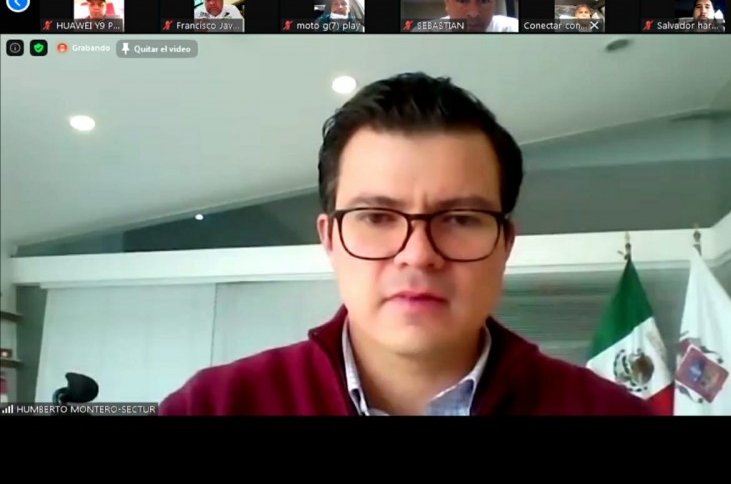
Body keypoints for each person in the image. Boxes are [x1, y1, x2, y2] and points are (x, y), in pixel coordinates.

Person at [158, 72, 655, 416]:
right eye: (377, 217)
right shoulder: (211, 407)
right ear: (330, 239)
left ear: (505, 244)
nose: (418, 254)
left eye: (459, 218)